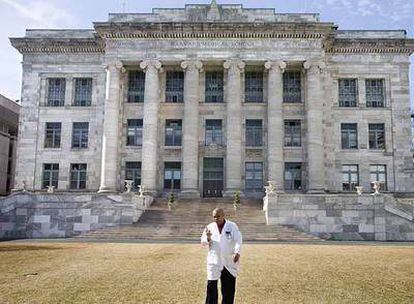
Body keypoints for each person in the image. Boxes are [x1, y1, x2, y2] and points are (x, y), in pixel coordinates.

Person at [201, 208, 242, 304]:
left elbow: (238, 240)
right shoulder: (209, 227)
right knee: (211, 287)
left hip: (228, 261)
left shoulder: (232, 226)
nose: (216, 219)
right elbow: (203, 242)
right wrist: (208, 238)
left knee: (228, 290)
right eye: (214, 217)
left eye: (218, 216)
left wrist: (237, 252)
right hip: (214, 260)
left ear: (223, 215)